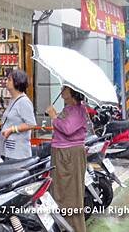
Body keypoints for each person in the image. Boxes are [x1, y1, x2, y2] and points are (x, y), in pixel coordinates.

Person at [46, 86, 88, 232]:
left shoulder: (78, 109)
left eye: (65, 89)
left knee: (71, 195)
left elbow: (68, 129)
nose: (61, 90)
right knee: (60, 193)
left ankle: (75, 228)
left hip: (69, 157)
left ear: (73, 93)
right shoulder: (69, 108)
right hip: (62, 155)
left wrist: (53, 117)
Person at [0, 70, 37, 160]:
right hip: (8, 149)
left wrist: (12, 129)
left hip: (17, 152)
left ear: (16, 82)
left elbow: (31, 124)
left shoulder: (24, 101)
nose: (6, 82)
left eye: (9, 80)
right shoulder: (13, 99)